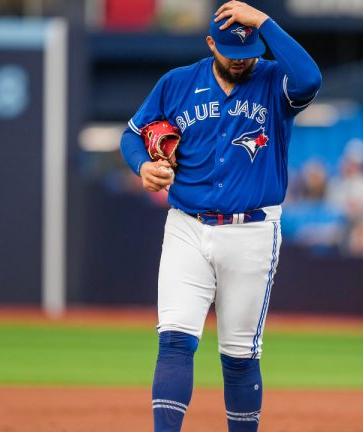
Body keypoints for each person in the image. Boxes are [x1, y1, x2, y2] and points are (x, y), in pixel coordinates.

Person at [119, 2, 321, 431]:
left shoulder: (272, 80)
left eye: (250, 51)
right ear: (211, 43)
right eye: (231, 50)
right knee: (174, 340)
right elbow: (133, 135)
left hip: (252, 231)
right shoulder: (177, 83)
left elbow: (310, 78)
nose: (242, 60)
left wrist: (265, 23)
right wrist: (143, 166)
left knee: (240, 355)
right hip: (188, 225)